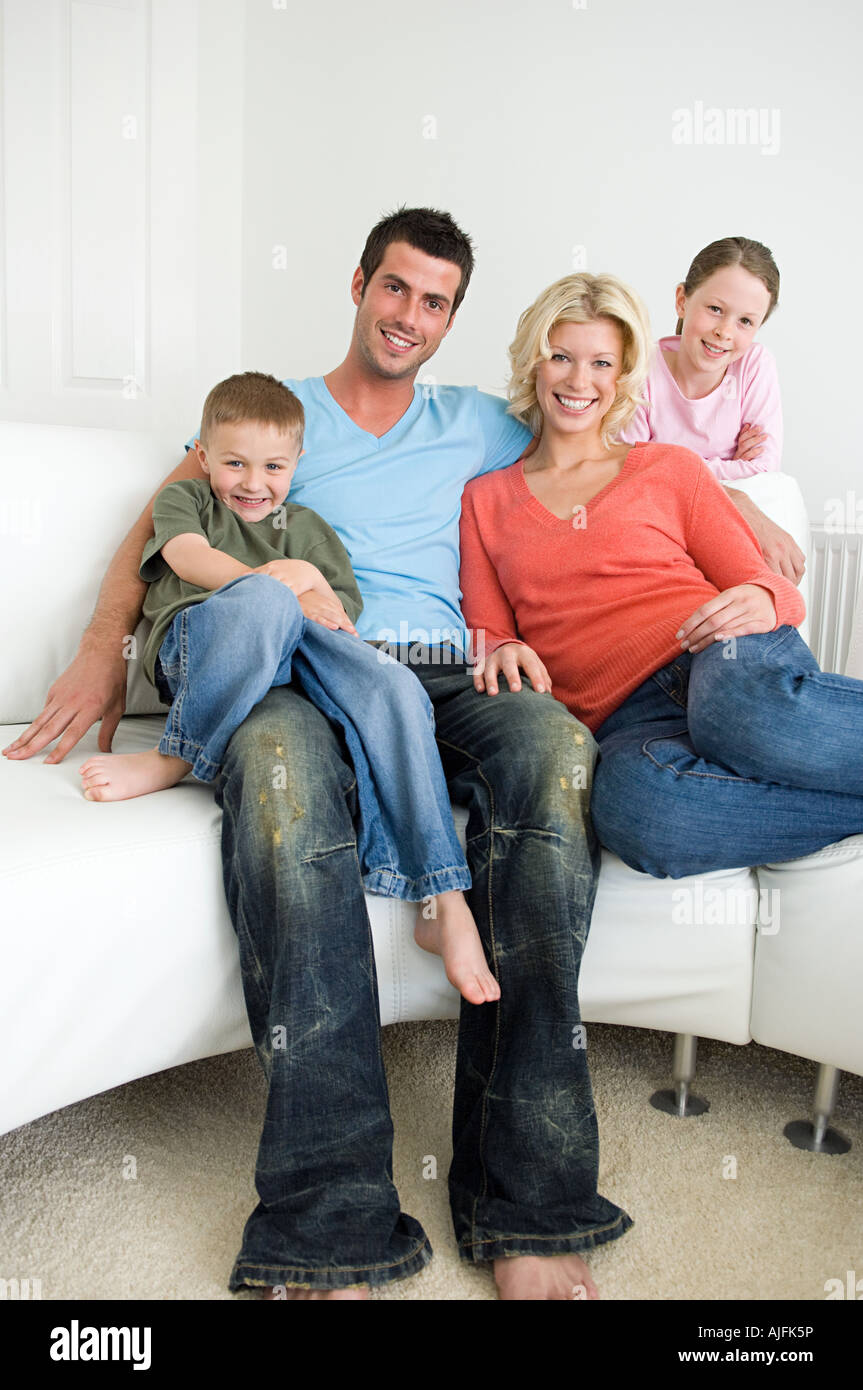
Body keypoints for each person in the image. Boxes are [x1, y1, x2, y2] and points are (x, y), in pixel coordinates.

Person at [3, 209, 632, 1300]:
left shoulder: (476, 421)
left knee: (555, 754)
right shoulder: (274, 418)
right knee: (288, 788)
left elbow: (599, 441)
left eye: (435, 301)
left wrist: (732, 524)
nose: (410, 315)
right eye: (396, 289)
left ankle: (529, 1200)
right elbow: (160, 527)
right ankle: (329, 1223)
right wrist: (105, 649)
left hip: (442, 666)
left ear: (450, 320)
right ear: (358, 285)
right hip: (293, 673)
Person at [75, 370, 498, 1007]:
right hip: (206, 646)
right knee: (268, 605)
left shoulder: (307, 526)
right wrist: (277, 582)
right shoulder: (189, 502)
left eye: (273, 465)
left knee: (394, 687)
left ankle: (442, 897)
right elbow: (188, 556)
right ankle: (174, 755)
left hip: (295, 654)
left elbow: (337, 619)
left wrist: (308, 576)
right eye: (234, 463)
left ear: (298, 460)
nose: (252, 482)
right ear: (203, 456)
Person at [459, 272, 863, 882]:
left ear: (621, 376)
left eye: (601, 362)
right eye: (561, 357)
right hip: (627, 722)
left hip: (723, 661)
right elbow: (487, 632)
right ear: (533, 364)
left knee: (736, 713)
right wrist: (504, 644)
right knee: (636, 811)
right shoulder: (485, 500)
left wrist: (759, 595)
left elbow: (771, 589)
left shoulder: (668, 468)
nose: (578, 380)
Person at [621, 237, 805, 582]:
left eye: (745, 322)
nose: (724, 332)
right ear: (682, 300)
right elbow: (630, 470)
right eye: (715, 310)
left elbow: (764, 468)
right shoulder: (642, 367)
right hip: (660, 520)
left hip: (728, 523)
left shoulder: (754, 365)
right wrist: (733, 465)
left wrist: (667, 461)